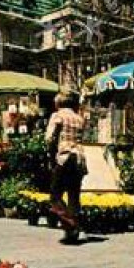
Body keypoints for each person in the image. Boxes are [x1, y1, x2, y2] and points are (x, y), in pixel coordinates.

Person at [46, 92, 88, 244]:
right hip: (80, 158)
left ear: (59, 103)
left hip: (64, 157)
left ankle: (70, 223)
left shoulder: (57, 116)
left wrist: (51, 157)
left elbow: (50, 138)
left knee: (55, 195)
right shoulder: (79, 118)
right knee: (73, 195)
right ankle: (72, 233)